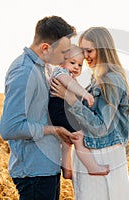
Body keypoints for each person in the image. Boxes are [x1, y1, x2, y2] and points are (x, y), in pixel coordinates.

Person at [0, 15, 77, 200]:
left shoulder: (46, 68)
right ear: (45, 48)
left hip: (47, 166)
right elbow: (9, 128)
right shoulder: (24, 72)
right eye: (64, 51)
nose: (67, 56)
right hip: (34, 171)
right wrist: (53, 130)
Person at [51, 27, 129, 200]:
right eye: (83, 51)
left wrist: (70, 98)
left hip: (103, 155)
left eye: (89, 51)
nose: (85, 56)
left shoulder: (111, 80)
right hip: (93, 153)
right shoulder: (95, 80)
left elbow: (101, 127)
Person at [48, 45, 110, 179]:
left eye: (80, 65)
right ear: (62, 61)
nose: (76, 67)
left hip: (59, 112)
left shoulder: (67, 74)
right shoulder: (60, 72)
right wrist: (84, 94)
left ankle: (67, 170)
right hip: (59, 111)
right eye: (72, 63)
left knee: (67, 142)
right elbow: (70, 84)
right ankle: (93, 167)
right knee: (79, 137)